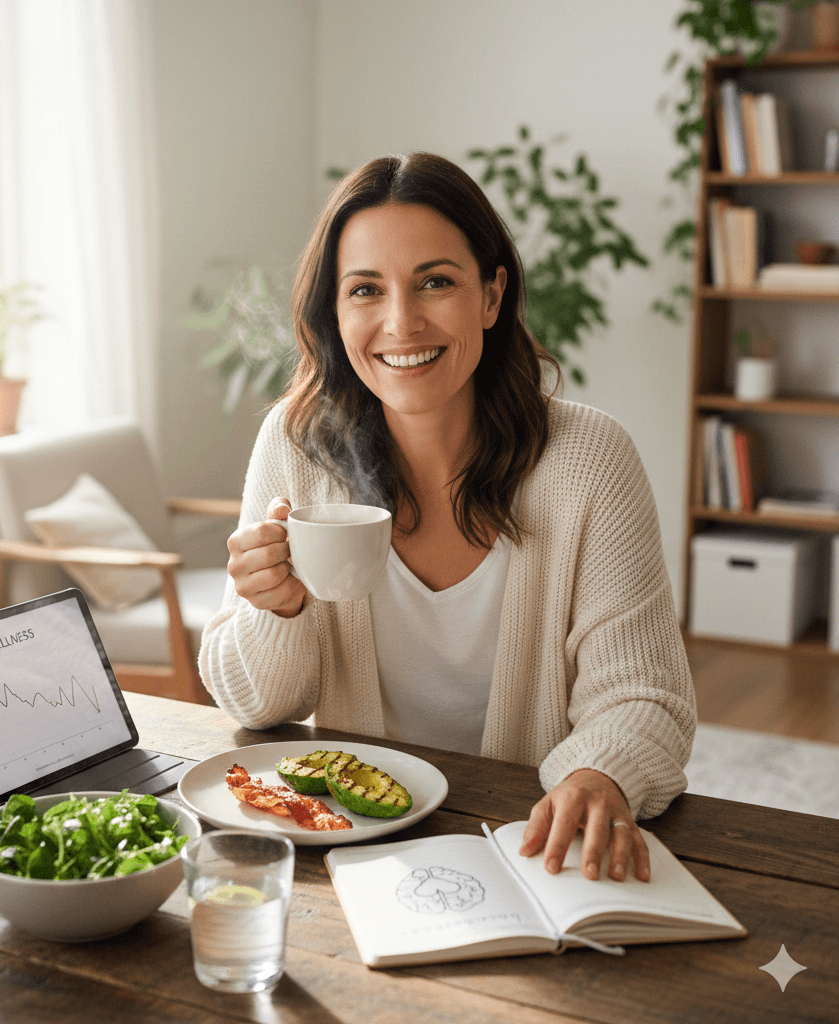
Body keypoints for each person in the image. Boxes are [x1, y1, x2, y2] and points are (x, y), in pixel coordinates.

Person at [198, 152, 695, 885]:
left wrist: (601, 773)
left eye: (435, 281)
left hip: (531, 845)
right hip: (349, 846)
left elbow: (644, 693)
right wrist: (272, 608)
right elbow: (262, 703)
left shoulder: (590, 460)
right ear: (335, 314)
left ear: (491, 296)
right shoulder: (296, 445)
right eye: (365, 289)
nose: (401, 322)